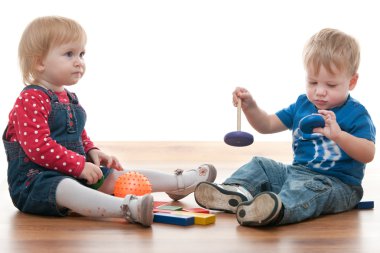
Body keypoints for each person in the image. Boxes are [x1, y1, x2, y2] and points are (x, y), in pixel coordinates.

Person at [3, 16, 216, 227]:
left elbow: (76, 133)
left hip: (73, 171)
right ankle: (127, 208)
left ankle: (179, 183)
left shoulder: (69, 98)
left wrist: (91, 150)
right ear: (40, 62)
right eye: (69, 54)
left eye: (81, 54)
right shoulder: (30, 99)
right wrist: (78, 166)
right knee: (65, 187)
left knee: (118, 177)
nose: (79, 62)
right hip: (34, 183)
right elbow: (38, 147)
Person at [194, 28, 376, 227]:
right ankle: (237, 192)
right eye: (313, 82)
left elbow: (368, 153)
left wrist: (339, 135)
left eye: (331, 85)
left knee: (308, 188)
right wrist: (250, 107)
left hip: (337, 185)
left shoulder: (356, 113)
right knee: (261, 164)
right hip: (296, 173)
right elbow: (267, 124)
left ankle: (276, 209)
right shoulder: (302, 105)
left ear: (352, 81)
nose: (320, 92)